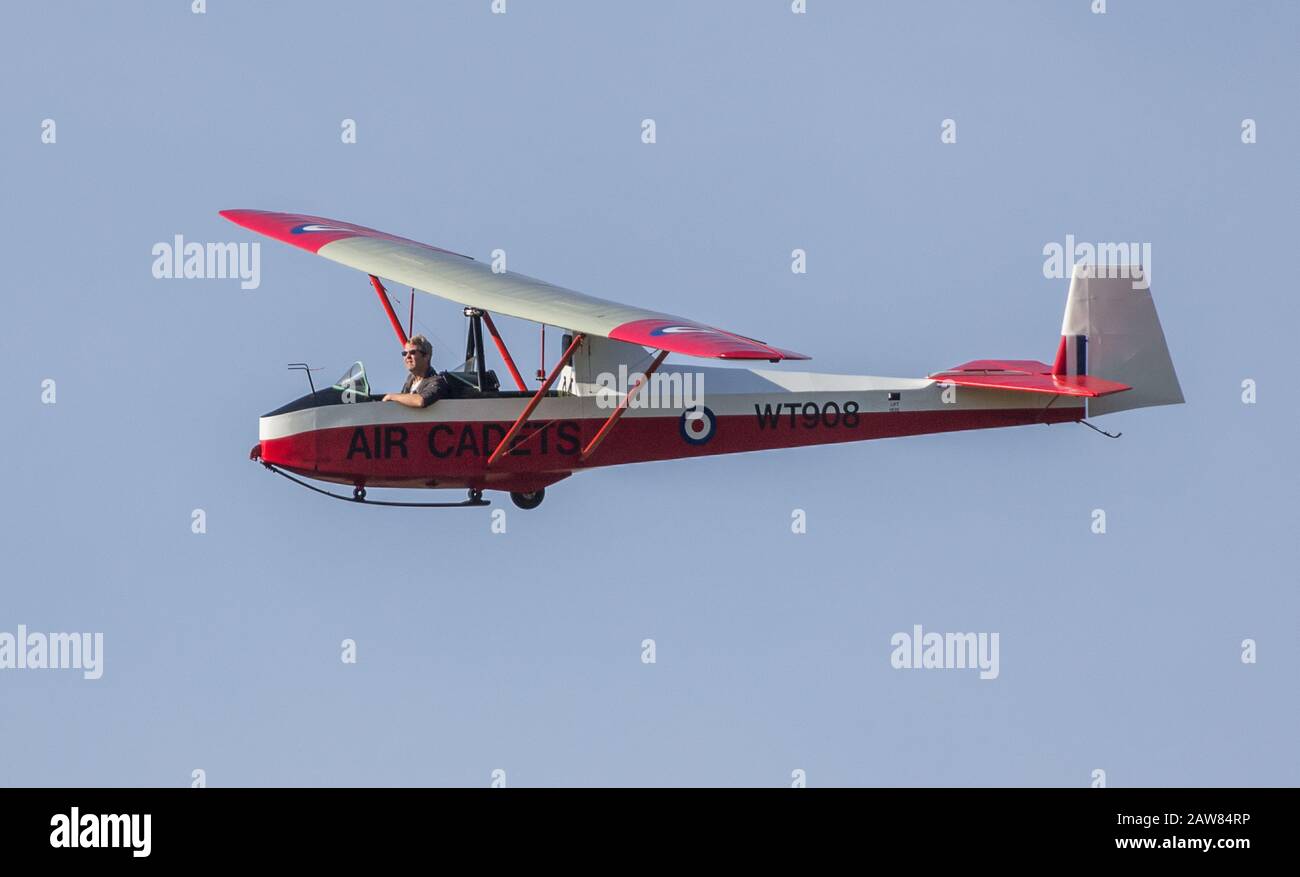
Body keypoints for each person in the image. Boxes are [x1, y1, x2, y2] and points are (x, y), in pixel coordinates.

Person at [382, 335, 450, 408]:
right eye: (404, 354)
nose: (407, 357)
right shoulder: (410, 380)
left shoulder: (437, 381)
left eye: (412, 352)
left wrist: (391, 397)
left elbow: (420, 401)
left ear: (426, 357)